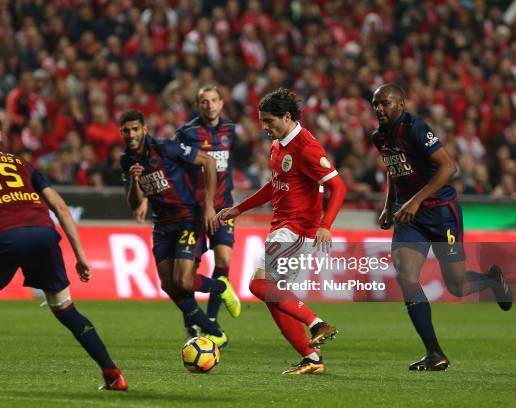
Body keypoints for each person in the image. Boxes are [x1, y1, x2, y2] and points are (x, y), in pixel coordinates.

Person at [0, 110, 128, 391]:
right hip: (43, 233)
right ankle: (113, 374)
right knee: (65, 307)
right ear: (0, 136)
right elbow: (61, 207)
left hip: (3, 235)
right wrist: (80, 256)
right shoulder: (21, 163)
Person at [370, 84, 512, 371]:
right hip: (411, 218)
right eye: (375, 105)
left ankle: (493, 281)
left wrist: (414, 200)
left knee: (457, 285)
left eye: (384, 103)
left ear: (401, 103)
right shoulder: (379, 136)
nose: (379, 109)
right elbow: (394, 170)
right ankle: (434, 352)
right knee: (406, 275)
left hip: (440, 213)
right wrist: (389, 205)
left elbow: (449, 167)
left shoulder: (416, 128)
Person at [216, 88, 347, 374]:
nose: (264, 127)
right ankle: (312, 359)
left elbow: (338, 186)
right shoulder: (278, 144)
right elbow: (274, 186)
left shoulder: (307, 146)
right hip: (283, 227)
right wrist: (239, 209)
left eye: (269, 120)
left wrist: (326, 225)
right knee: (275, 297)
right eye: (262, 121)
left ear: (287, 117)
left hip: (296, 230)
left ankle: (317, 323)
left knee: (258, 285)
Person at [119, 110, 240, 349]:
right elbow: (134, 203)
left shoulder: (166, 148)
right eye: (126, 130)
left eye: (135, 129)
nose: (131, 134)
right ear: (121, 133)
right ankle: (216, 333)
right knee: (168, 285)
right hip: (162, 225)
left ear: (144, 129)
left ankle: (221, 286)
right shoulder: (126, 161)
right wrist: (134, 181)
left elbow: (208, 161)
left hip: (187, 217)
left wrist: (207, 207)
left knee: (183, 282)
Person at [175, 85, 237, 338]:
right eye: (204, 101)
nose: (209, 105)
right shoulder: (186, 133)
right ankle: (191, 319)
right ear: (198, 105)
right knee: (189, 270)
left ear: (222, 103)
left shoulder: (230, 131)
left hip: (223, 207)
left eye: (214, 100)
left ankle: (211, 319)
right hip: (194, 210)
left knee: (223, 259)